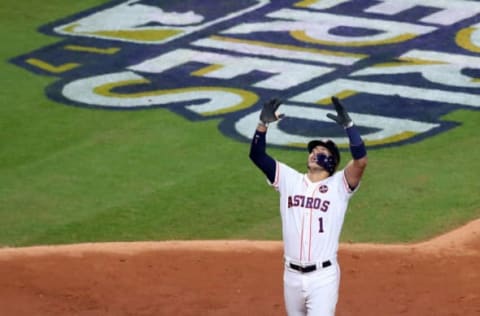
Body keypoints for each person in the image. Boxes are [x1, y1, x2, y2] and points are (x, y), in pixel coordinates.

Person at [249, 97, 368, 316]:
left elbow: (360, 162)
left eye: (321, 152)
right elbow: (257, 156)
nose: (314, 153)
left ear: (332, 162)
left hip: (323, 277)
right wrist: (262, 125)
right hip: (291, 275)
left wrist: (349, 127)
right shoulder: (289, 179)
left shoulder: (339, 185)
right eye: (313, 151)